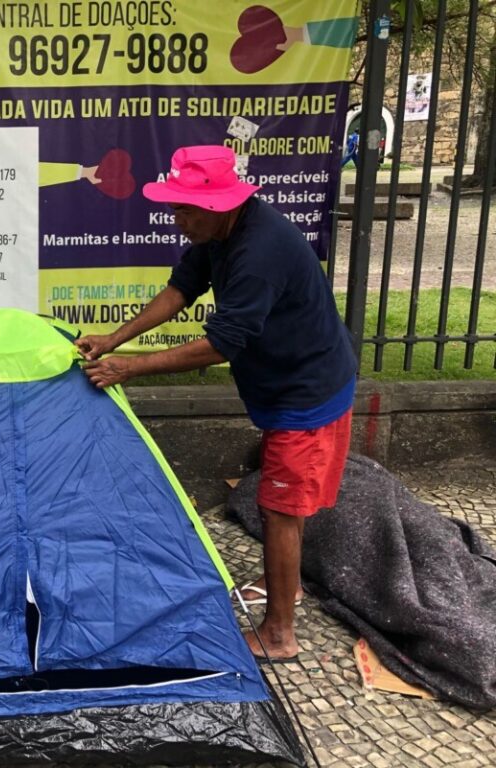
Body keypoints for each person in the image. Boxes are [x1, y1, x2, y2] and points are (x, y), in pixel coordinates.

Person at [77, 145, 356, 661]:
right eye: (175, 207)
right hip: (283, 384)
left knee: (279, 509)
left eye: (184, 209)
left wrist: (129, 368)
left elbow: (221, 344)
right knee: (283, 506)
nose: (175, 218)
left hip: (306, 392)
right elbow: (182, 288)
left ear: (221, 204)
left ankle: (279, 635)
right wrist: (115, 339)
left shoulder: (259, 252)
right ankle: (287, 585)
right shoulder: (218, 231)